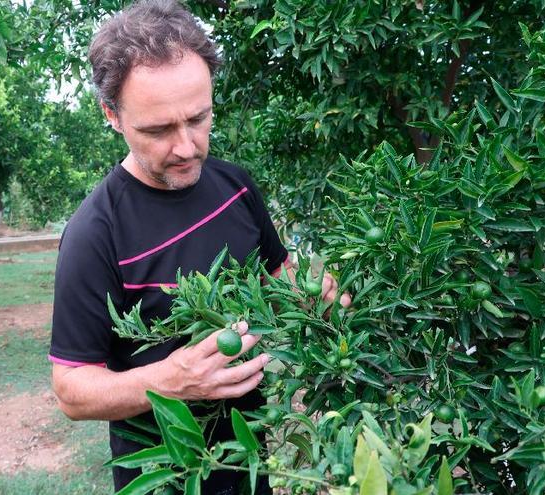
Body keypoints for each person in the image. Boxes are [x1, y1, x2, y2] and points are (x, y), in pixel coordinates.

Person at [48, 1, 348, 492]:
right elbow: (72, 390)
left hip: (250, 460)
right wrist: (171, 380)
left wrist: (317, 294)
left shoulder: (235, 186)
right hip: (167, 475)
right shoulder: (94, 233)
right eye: (159, 129)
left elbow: (278, 275)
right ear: (113, 115)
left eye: (198, 117)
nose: (187, 146)